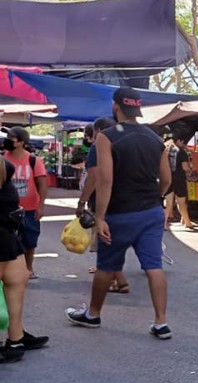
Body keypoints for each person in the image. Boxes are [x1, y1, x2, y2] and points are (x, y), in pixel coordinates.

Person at [65, 87, 173, 339]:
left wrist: (100, 216)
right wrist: (154, 197)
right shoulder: (155, 138)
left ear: (116, 107)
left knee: (106, 265)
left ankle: (92, 314)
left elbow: (105, 180)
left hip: (120, 213)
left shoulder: (107, 137)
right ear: (138, 107)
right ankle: (161, 322)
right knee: (154, 266)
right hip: (151, 211)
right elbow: (166, 180)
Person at [0, 156, 49, 363]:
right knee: (15, 283)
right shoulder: (3, 163)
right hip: (4, 231)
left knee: (17, 281)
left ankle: (16, 338)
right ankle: (15, 339)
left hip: (6, 231)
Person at [76, 116, 129, 293]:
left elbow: (93, 177)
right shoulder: (123, 145)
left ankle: (114, 280)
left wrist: (82, 202)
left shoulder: (98, 147)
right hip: (123, 200)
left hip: (102, 201)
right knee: (112, 240)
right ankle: (119, 281)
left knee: (105, 238)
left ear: (97, 131)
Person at [2, 126, 47, 280]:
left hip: (29, 209)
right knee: (6, 239)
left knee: (30, 239)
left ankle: (29, 268)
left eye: (11, 138)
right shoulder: (2, 159)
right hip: (5, 209)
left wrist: (41, 207)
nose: (7, 140)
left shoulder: (34, 160)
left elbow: (42, 184)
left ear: (21, 142)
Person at [164, 134, 193, 229]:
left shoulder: (166, 151)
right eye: (184, 142)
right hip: (179, 179)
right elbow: (185, 167)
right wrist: (190, 169)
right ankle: (187, 222)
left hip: (168, 178)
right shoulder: (182, 152)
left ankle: (164, 224)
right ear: (179, 140)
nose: (184, 144)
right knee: (181, 202)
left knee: (168, 203)